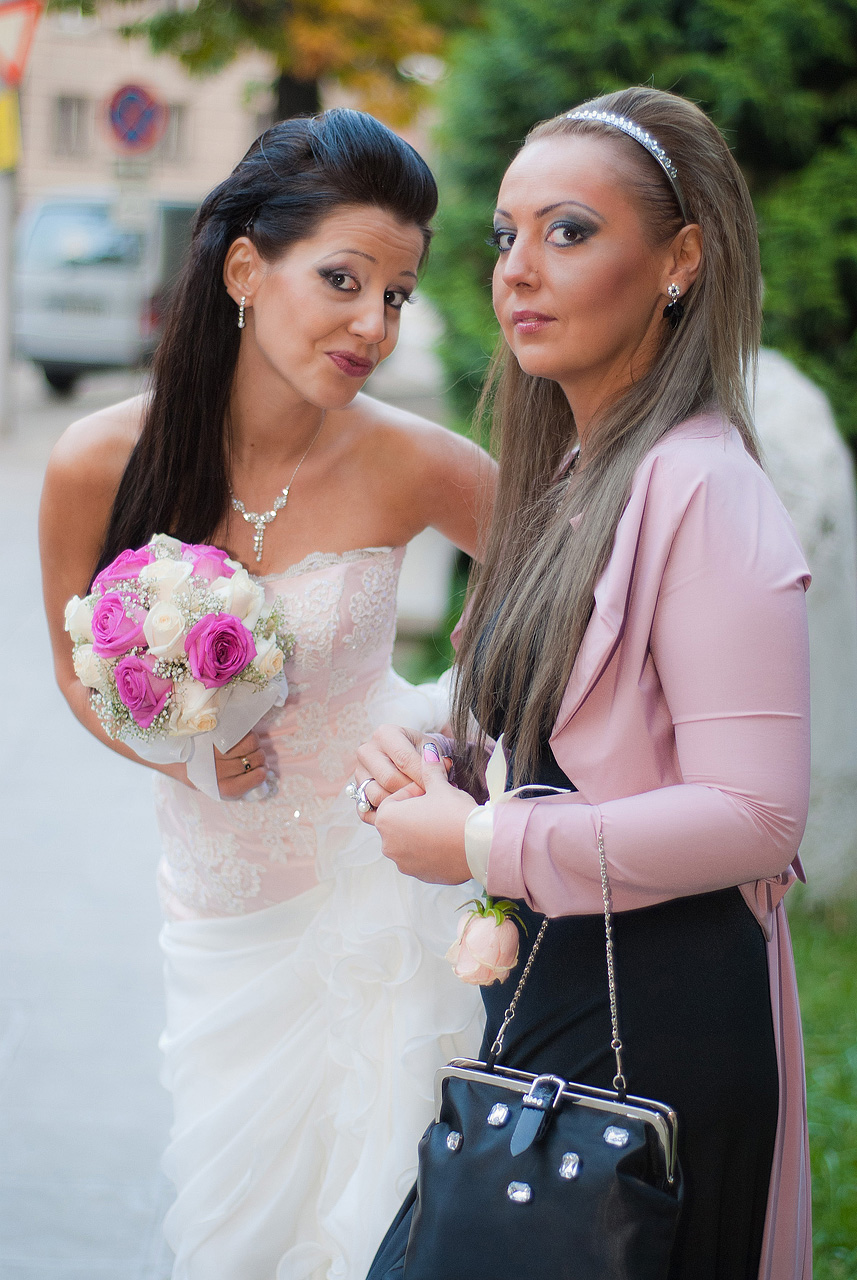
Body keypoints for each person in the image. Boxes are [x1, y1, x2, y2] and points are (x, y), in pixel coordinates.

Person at [353, 86, 812, 1280]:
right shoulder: (572, 473)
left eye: (567, 231)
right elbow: (564, 738)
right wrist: (439, 768)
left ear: (678, 261)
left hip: (651, 1024)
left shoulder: (704, 486)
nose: (517, 268)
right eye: (505, 234)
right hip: (555, 1000)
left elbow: (757, 812)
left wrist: (480, 842)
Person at [40, 109, 491, 1280]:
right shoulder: (99, 460)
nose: (372, 323)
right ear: (245, 268)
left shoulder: (412, 459)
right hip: (223, 907)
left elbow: (567, 585)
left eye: (396, 294)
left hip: (383, 890)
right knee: (238, 1229)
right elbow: (76, 670)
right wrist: (177, 750)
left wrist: (460, 718)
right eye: (343, 279)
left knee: (377, 1218)